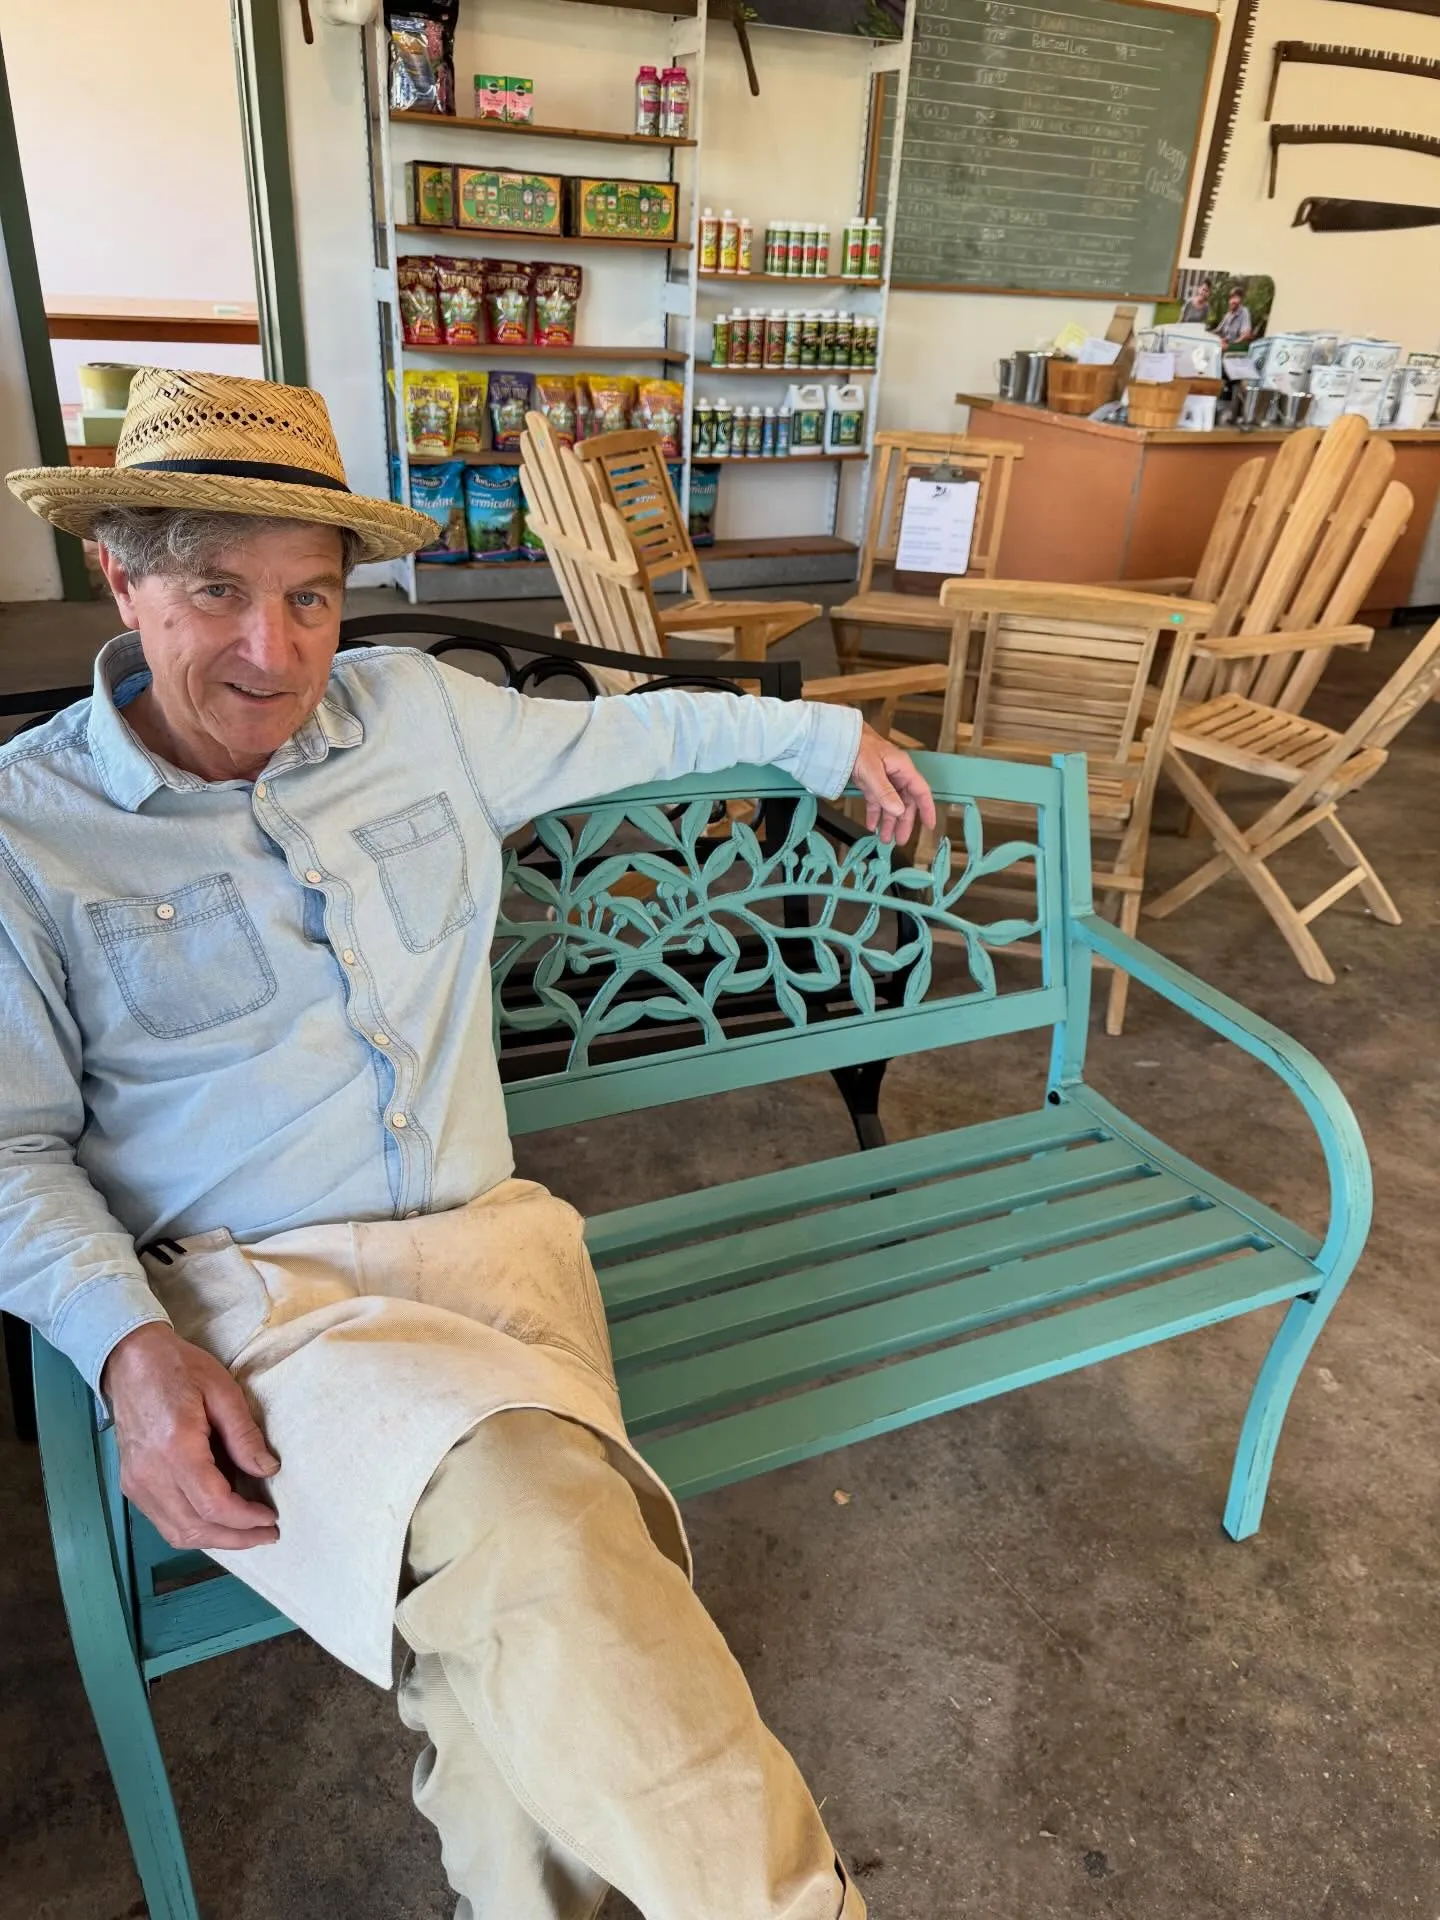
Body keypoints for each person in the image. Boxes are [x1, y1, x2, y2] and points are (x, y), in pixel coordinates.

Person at [2, 370, 936, 1920]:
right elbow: (11, 1148)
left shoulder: (421, 716)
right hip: (262, 1307)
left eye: (311, 599)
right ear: (121, 574)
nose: (271, 650)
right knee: (547, 1530)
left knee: (492, 1646)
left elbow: (642, 738)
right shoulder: (29, 834)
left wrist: (820, 738)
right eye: (215, 590)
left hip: (495, 1257)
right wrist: (126, 1354)